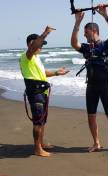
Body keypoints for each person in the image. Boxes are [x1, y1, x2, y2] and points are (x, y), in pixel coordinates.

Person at [71, 5, 108, 156]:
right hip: (91, 87)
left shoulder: (107, 45)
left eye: (85, 32)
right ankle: (96, 143)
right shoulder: (87, 48)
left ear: (94, 31)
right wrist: (77, 22)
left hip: (106, 86)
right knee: (91, 116)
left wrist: (106, 15)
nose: (84, 35)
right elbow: (74, 44)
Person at [19, 26, 69, 157]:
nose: (42, 46)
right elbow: (33, 47)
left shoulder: (36, 58)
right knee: (37, 121)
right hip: (35, 92)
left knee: (42, 120)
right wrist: (45, 33)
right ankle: (37, 149)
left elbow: (43, 73)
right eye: (40, 43)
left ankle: (41, 143)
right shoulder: (27, 56)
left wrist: (57, 73)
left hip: (42, 92)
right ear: (31, 44)